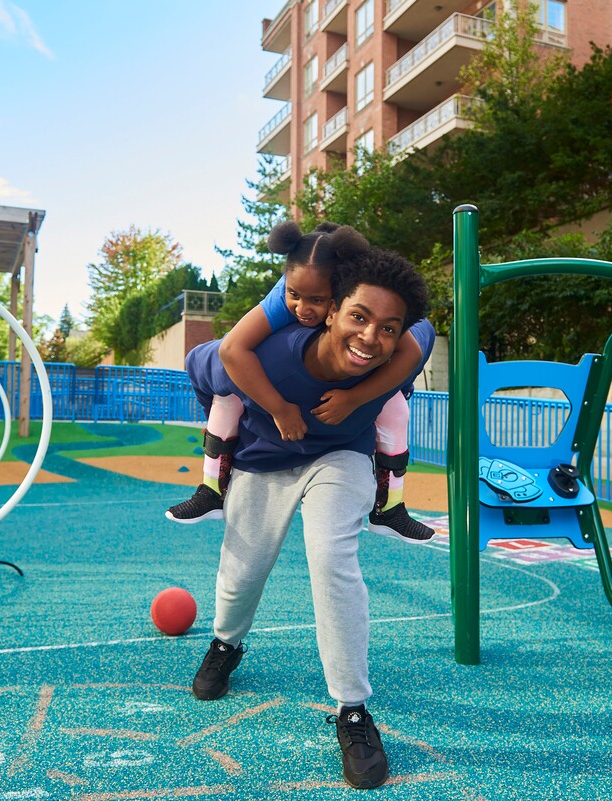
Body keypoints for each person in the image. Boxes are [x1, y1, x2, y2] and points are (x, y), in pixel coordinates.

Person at [183, 246, 434, 790]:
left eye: (387, 328)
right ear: (332, 309)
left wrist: (353, 400)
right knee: (242, 572)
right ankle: (226, 643)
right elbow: (209, 359)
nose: (371, 337)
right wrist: (256, 409)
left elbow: (418, 338)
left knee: (331, 556)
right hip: (265, 459)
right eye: (359, 317)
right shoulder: (271, 354)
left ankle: (352, 709)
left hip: (340, 458)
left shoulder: (404, 346)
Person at [166, 220, 434, 543]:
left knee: (395, 408)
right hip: (272, 386)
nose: (303, 309)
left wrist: (355, 398)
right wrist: (278, 408)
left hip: (349, 399)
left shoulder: (362, 301)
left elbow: (410, 353)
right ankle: (212, 489)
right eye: (296, 295)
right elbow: (232, 349)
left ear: (338, 296)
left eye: (316, 300)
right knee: (231, 390)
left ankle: (389, 506)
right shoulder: (282, 299)